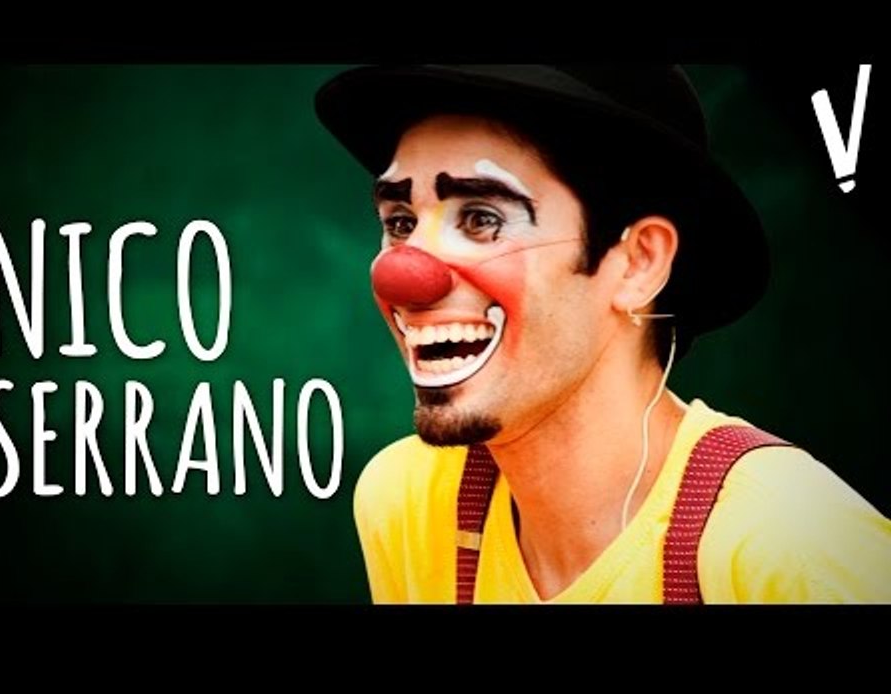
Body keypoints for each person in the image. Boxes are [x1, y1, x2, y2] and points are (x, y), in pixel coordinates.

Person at [314, 65, 891, 604]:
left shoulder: (797, 551)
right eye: (400, 223)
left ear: (638, 263)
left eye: (483, 218)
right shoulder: (410, 502)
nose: (405, 273)